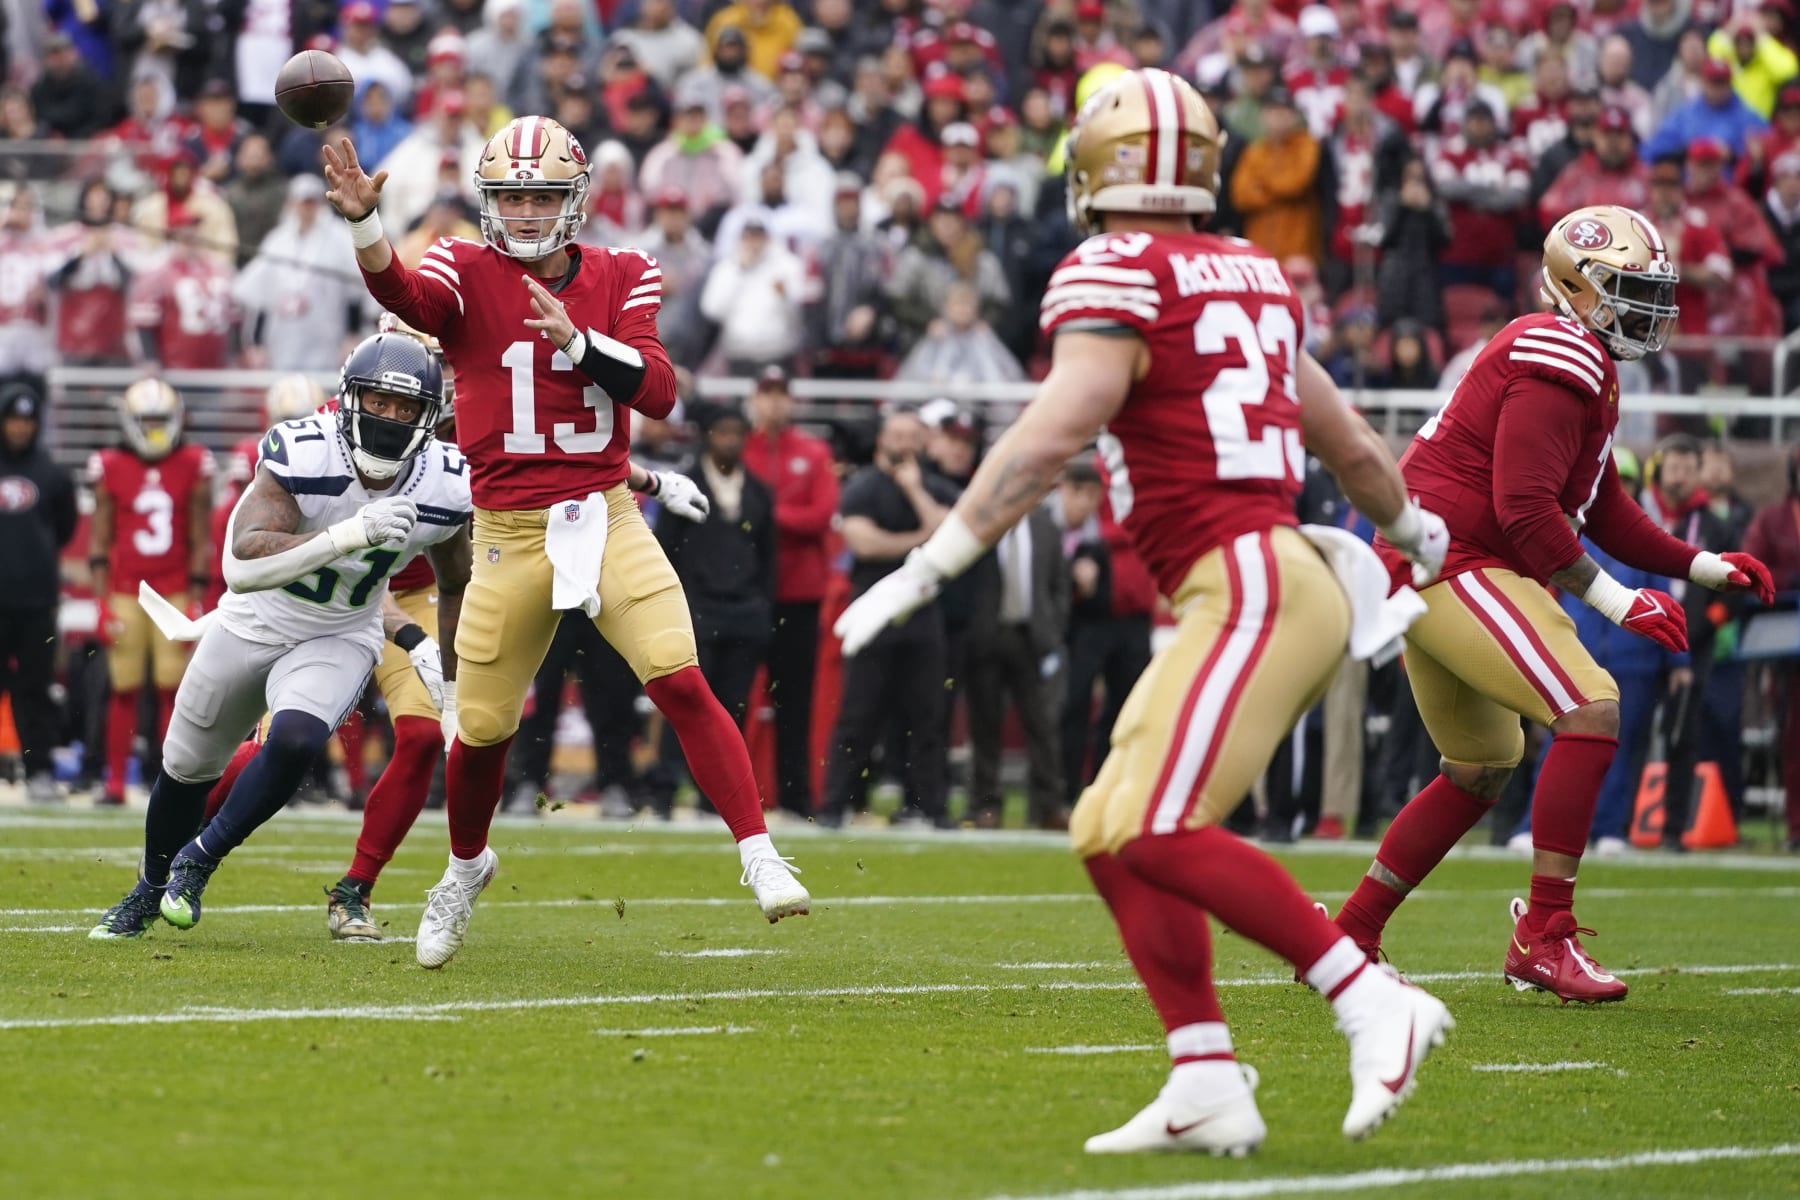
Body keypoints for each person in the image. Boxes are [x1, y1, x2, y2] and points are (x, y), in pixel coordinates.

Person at [835, 67, 1453, 1153]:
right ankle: (1206, 1075)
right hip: (1265, 575)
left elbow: (1048, 436)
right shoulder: (1251, 271)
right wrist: (1410, 529)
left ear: (1097, 168)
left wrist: (932, 563)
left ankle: (1369, 998)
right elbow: (1349, 443)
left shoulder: (1112, 268)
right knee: (1106, 829)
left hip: (1250, 579)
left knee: (1160, 826)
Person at [322, 115, 808, 968]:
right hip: (507, 532)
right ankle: (466, 868)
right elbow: (405, 299)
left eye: (542, 194)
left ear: (574, 199)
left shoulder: (623, 273)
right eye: (511, 195)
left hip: (605, 513)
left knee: (679, 676)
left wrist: (581, 343)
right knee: (478, 732)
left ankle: (758, 852)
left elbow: (658, 392)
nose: (527, 210)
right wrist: (367, 226)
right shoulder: (462, 266)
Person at [1323, 206, 1774, 1004]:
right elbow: (1526, 508)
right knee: (1591, 708)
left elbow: (1599, 509)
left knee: (1480, 768)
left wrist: (1700, 565)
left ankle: (1351, 935)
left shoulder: (1584, 358)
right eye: (1631, 290)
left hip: (1439, 556)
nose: (1650, 308)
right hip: (1453, 557)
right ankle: (1544, 937)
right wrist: (1614, 600)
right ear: (1579, 287)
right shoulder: (1557, 351)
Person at [88, 334, 468, 940]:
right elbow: (243, 561)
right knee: (186, 767)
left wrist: (446, 672)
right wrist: (345, 536)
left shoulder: (444, 484)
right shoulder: (304, 451)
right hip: (255, 618)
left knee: (296, 737)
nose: (389, 418)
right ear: (350, 398)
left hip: (342, 630)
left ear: (428, 416)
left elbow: (456, 581)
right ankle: (146, 888)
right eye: (377, 401)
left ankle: (199, 860)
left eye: (404, 408)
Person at [821, 407, 961, 829]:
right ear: (882, 438)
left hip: (922, 613)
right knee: (858, 713)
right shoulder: (863, 486)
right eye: (896, 434)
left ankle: (929, 808)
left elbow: (952, 539)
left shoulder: (935, 487)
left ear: (922, 441)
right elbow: (864, 543)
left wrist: (916, 492)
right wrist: (922, 540)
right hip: (873, 611)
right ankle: (832, 806)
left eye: (910, 435)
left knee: (928, 716)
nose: (903, 443)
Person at [87, 380, 214, 808]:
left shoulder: (194, 462)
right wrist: (100, 601)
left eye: (161, 420)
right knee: (123, 687)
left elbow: (199, 537)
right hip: (126, 589)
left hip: (175, 588)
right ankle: (116, 782)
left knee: (171, 689)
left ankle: (168, 783)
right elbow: (100, 539)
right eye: (148, 421)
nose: (155, 430)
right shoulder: (109, 464)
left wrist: (197, 595)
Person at [741, 367, 838, 818]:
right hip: (746, 591)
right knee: (732, 698)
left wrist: (764, 515)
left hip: (799, 593)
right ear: (755, 400)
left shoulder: (813, 452)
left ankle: (796, 797)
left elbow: (820, 515)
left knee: (794, 701)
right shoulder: (741, 448)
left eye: (781, 395)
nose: (774, 403)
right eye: (767, 395)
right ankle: (726, 798)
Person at [657, 402, 776, 747]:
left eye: (737, 434)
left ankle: (720, 792)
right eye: (723, 433)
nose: (730, 441)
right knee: (685, 701)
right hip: (695, 608)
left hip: (745, 610)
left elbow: (769, 557)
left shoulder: (758, 492)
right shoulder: (682, 487)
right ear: (708, 436)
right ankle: (667, 785)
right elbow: (666, 549)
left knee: (734, 705)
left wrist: (762, 609)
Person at [0, 388, 78, 802]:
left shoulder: (51, 472)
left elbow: (64, 527)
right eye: (13, 419)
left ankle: (40, 771)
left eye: (27, 421)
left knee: (36, 691)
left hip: (36, 603)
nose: (19, 427)